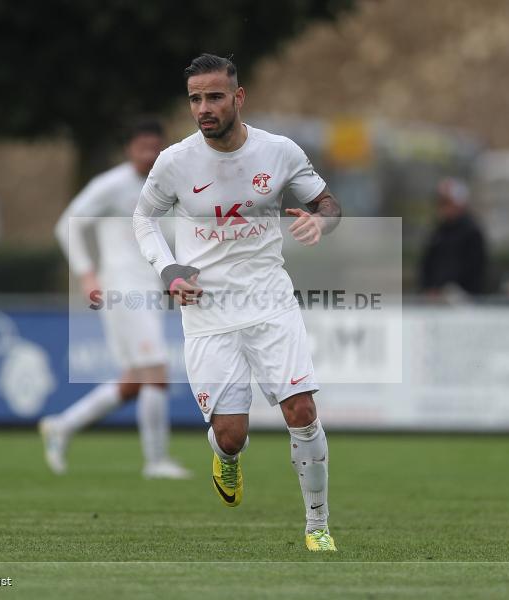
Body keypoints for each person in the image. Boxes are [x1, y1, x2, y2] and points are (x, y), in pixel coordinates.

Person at [132, 54, 342, 551]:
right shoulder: (175, 161)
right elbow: (143, 218)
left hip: (270, 301)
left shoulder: (280, 151)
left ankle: (318, 527)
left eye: (214, 97)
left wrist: (321, 221)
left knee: (302, 411)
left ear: (238, 97)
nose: (204, 107)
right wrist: (168, 269)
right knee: (231, 435)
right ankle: (225, 457)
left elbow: (327, 203)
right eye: (195, 99)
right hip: (207, 310)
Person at [39, 119, 190, 480]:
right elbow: (68, 224)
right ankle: (156, 462)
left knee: (135, 380)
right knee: (156, 370)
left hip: (148, 291)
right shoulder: (110, 185)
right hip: (122, 289)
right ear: (129, 149)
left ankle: (63, 425)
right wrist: (86, 272)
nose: (149, 153)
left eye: (156, 146)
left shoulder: (166, 186)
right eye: (143, 146)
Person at [419, 178, 488, 297]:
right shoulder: (439, 230)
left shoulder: (471, 231)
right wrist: (429, 287)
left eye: (446, 203)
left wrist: (445, 287)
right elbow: (428, 263)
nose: (443, 208)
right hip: (435, 297)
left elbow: (472, 269)